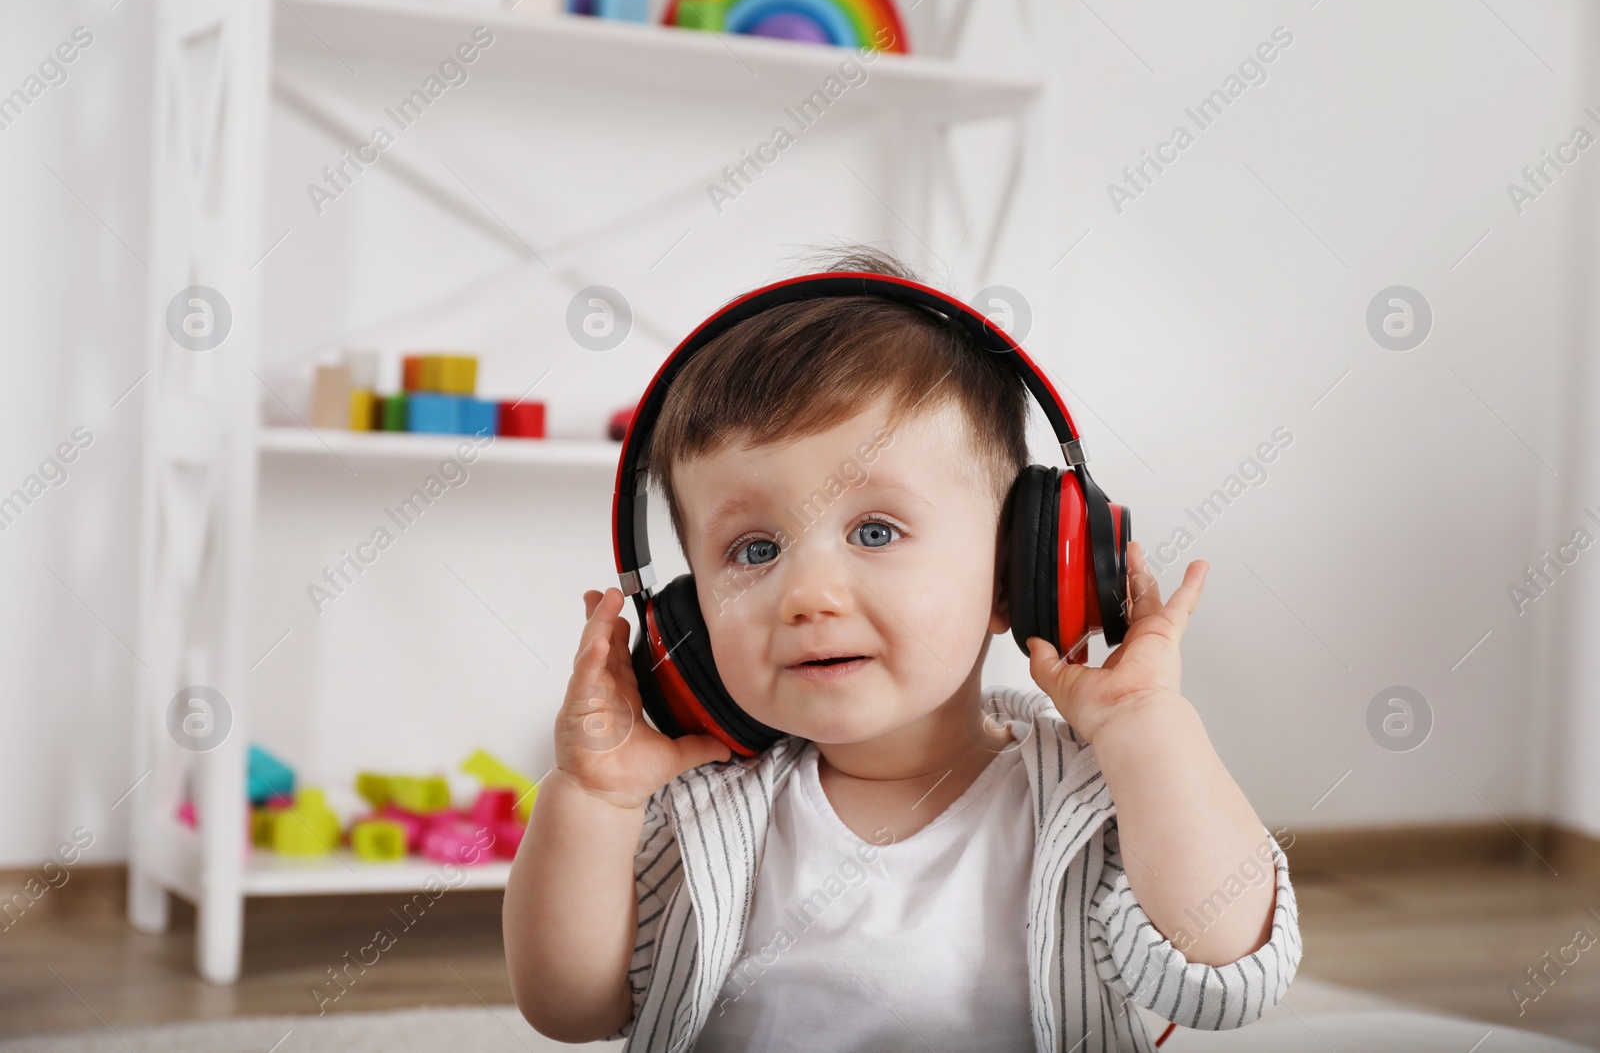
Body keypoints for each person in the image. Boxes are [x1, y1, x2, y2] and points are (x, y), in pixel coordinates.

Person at [504, 245, 1301, 1052]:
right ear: (684, 620)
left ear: (1014, 577)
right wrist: (594, 797)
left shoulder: (1093, 795)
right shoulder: (696, 804)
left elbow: (1229, 970)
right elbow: (572, 1010)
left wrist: (1144, 723)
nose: (807, 594)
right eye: (753, 550)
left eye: (875, 531)